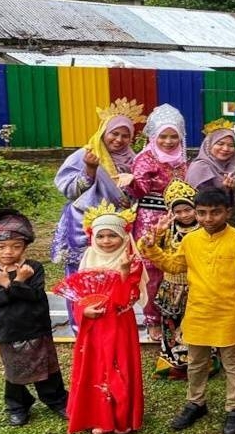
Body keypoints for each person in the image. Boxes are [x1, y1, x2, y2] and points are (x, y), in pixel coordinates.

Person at [139, 188, 235, 434]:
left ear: (228, 212)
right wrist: (152, 249)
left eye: (215, 213)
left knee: (233, 364)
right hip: (198, 311)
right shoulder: (191, 240)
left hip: (229, 312)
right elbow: (174, 265)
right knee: (196, 363)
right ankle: (196, 403)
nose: (208, 219)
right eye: (202, 213)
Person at [52, 99, 144, 329]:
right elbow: (69, 190)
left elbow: (136, 195)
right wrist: (90, 171)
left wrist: (132, 185)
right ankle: (80, 324)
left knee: (114, 273)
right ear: (104, 131)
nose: (119, 140)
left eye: (125, 135)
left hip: (115, 229)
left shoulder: (133, 159)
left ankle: (113, 319)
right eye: (114, 133)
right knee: (82, 274)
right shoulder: (85, 154)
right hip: (83, 224)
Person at [64, 203, 147, 434]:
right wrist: (85, 312)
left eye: (113, 235)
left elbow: (128, 299)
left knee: (118, 366)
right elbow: (78, 295)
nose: (106, 241)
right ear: (92, 236)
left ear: (124, 236)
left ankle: (120, 418)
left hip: (119, 324)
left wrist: (122, 273)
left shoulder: (130, 260)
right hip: (94, 325)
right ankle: (98, 416)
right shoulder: (89, 257)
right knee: (96, 367)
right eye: (101, 235)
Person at [0, 209, 68, 426]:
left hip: (36, 327)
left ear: (25, 247)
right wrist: (15, 285)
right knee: (14, 371)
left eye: (16, 246)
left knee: (47, 366)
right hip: (7, 330)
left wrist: (14, 282)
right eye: (1, 247)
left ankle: (56, 399)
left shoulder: (33, 268)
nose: (8, 252)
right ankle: (18, 404)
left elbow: (35, 296)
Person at [130, 103, 187, 339]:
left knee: (175, 267)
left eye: (174, 136)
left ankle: (174, 317)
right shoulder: (145, 159)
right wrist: (130, 182)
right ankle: (152, 319)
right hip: (150, 220)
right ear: (153, 136)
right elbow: (139, 190)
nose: (168, 141)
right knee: (152, 270)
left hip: (178, 219)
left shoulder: (182, 158)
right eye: (163, 136)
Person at [149, 180, 201, 379]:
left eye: (188, 210)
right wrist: (158, 232)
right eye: (178, 212)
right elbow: (148, 246)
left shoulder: (203, 228)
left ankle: (200, 363)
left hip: (196, 286)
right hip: (171, 286)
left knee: (195, 324)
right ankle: (173, 363)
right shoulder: (166, 229)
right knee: (171, 324)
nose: (184, 215)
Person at [185, 120, 235, 223]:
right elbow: (199, 201)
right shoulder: (200, 167)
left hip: (231, 223)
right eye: (220, 143)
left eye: (230, 145)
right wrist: (224, 189)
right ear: (209, 145)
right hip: (206, 224)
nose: (225, 148)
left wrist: (231, 190)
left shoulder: (233, 168)